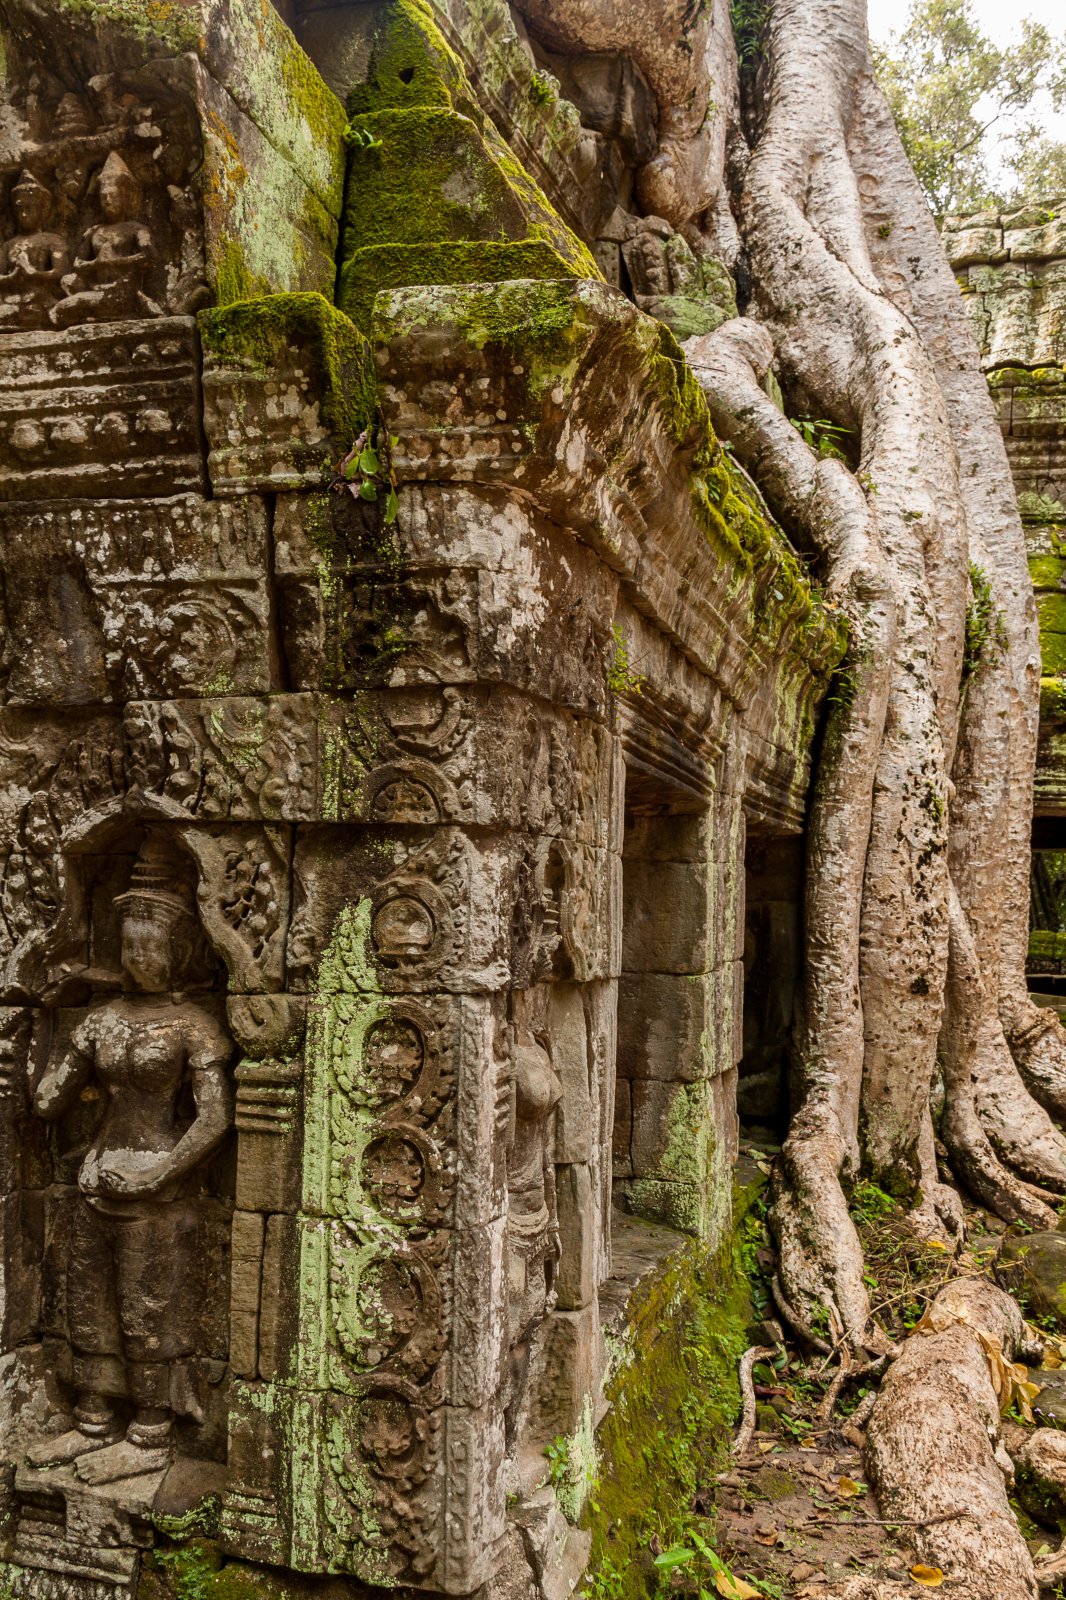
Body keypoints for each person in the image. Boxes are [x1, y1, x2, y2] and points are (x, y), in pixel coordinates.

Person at [28, 838, 231, 1484]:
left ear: (182, 950)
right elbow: (46, 1101)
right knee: (87, 1305)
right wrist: (51, 1021)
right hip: (96, 1181)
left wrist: (155, 1174)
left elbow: (214, 1118)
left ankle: (149, 1431)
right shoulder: (102, 1020)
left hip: (157, 1193)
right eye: (129, 944)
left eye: (152, 945)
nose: (139, 956)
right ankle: (92, 1419)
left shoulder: (192, 1025)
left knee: (148, 1312)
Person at [50, 151, 160, 328]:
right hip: (96, 288)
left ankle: (101, 314)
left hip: (121, 290)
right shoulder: (94, 232)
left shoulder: (137, 229)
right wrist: (97, 263)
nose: (108, 200)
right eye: (103, 197)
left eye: (113, 195)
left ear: (126, 197)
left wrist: (118, 261)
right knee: (67, 290)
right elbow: (78, 264)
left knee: (64, 309)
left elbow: (150, 258)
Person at [0, 170, 71, 328]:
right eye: (19, 209)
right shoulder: (8, 245)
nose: (23, 214)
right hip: (12, 300)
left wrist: (33, 273)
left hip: (40, 298)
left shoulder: (52, 240)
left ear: (43, 209)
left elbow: (62, 272)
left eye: (29, 208)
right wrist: (12, 276)